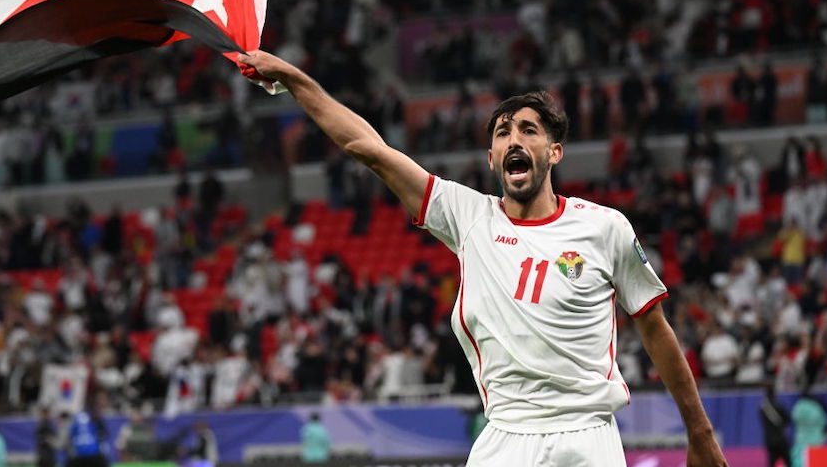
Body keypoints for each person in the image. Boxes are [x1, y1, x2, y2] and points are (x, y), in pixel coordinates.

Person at [236, 51, 727, 466]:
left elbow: (655, 328)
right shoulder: (468, 216)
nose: (514, 139)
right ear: (492, 159)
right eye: (502, 133)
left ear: (554, 152)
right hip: (504, 439)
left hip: (587, 438)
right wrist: (294, 79)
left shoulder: (605, 228)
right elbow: (369, 148)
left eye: (529, 130)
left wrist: (700, 432)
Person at [790, 386, 827, 467]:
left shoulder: (799, 406)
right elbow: (823, 421)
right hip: (815, 438)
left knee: (800, 458)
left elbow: (794, 418)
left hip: (803, 438)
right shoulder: (815, 406)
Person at [759, 383, 791, 467]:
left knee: (771, 464)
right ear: (774, 394)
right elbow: (788, 420)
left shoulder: (762, 408)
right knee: (789, 463)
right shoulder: (779, 406)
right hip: (781, 441)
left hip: (770, 442)